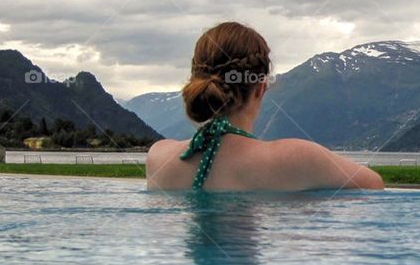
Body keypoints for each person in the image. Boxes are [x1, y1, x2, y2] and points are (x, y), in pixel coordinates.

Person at [146, 21, 384, 192]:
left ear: (196, 81)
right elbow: (374, 184)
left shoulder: (158, 157)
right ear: (260, 87)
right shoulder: (298, 157)